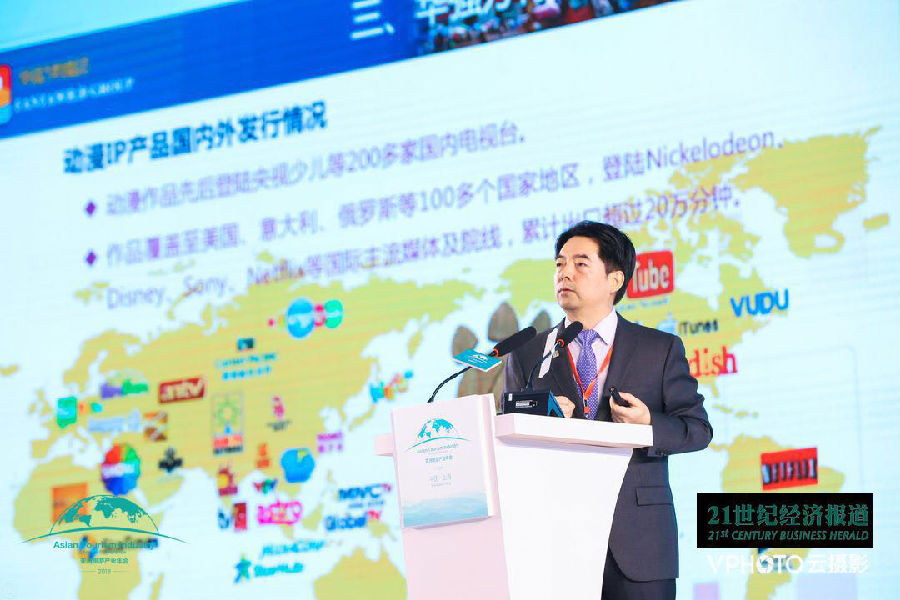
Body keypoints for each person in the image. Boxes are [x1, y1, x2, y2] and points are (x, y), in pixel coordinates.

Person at [503, 220, 712, 600]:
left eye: (580, 264)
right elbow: (510, 442)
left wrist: (646, 425)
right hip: (556, 541)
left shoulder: (658, 349)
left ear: (615, 279)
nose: (565, 273)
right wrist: (542, 423)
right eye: (559, 264)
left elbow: (697, 429)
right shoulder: (528, 353)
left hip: (638, 540)